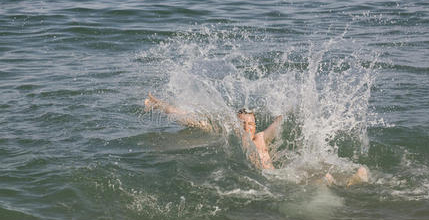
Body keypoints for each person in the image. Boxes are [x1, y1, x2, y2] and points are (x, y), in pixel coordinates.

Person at [144, 92, 368, 186]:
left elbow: (278, 124)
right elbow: (190, 119)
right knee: (316, 180)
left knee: (318, 174)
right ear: (236, 122)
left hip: (276, 176)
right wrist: (160, 105)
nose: (247, 127)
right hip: (267, 179)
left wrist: (293, 107)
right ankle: (340, 184)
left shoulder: (260, 138)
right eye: (243, 123)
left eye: (251, 123)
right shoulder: (230, 134)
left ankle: (346, 182)